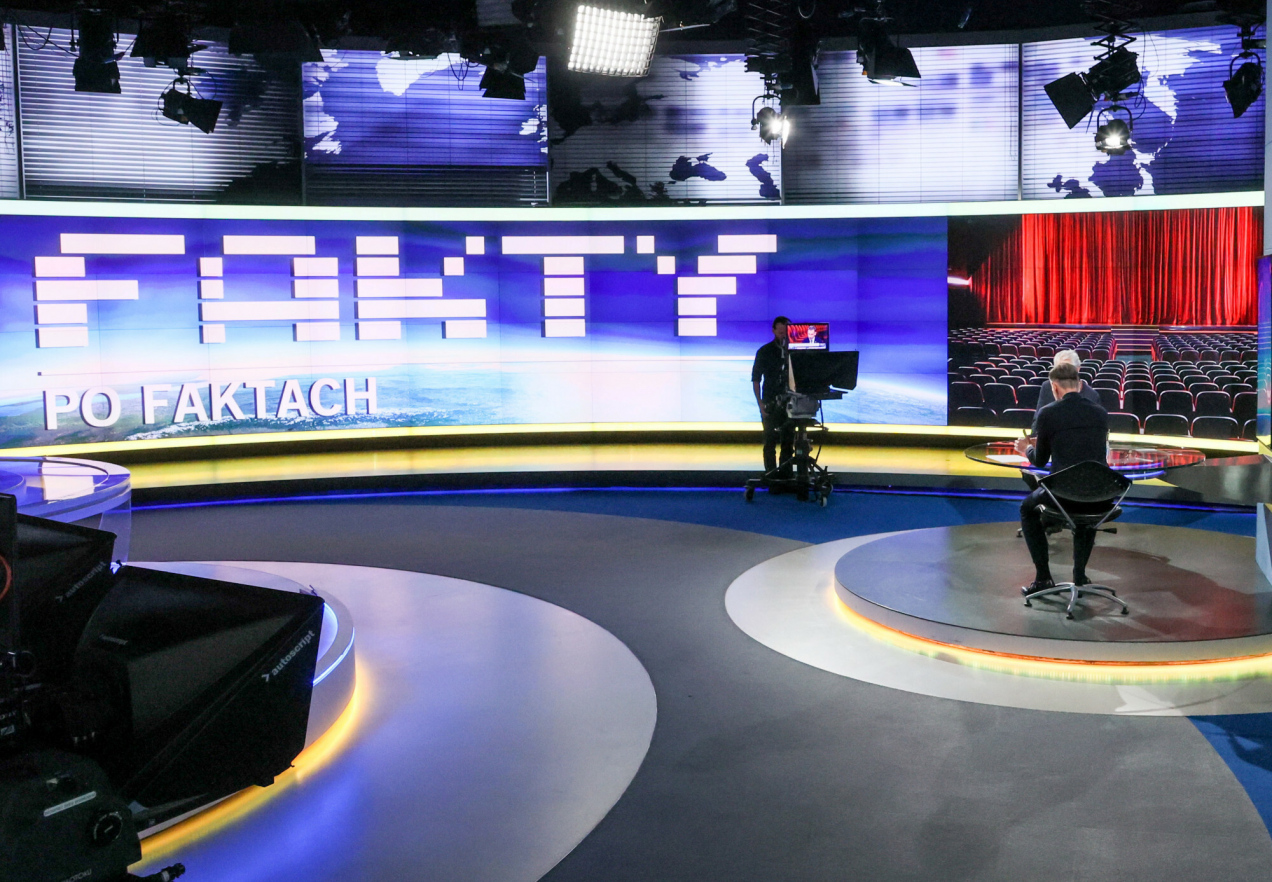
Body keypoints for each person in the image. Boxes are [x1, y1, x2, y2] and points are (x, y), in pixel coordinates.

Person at [1013, 362, 1109, 594]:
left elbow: (1039, 461)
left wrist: (1026, 449)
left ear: (1054, 387)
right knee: (1086, 512)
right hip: (1101, 494)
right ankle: (1079, 575)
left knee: (1027, 509)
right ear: (1079, 384)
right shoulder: (1100, 413)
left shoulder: (1048, 413)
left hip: (1062, 495)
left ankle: (1043, 578)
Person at [752, 316, 794, 480]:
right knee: (770, 441)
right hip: (770, 402)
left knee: (788, 442)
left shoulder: (795, 352)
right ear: (774, 331)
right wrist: (760, 404)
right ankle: (771, 477)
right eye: (781, 332)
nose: (784, 335)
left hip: (791, 403)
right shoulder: (764, 351)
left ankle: (786, 476)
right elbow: (756, 379)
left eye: (786, 332)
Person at [1031, 350, 1101, 432]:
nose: (1062, 375)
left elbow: (1095, 431)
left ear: (1078, 369)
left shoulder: (1092, 395)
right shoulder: (1047, 387)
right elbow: (1037, 422)